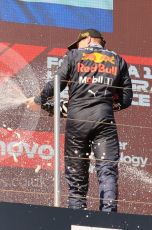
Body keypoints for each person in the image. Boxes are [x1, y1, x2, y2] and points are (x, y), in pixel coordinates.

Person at [26, 29, 133, 212]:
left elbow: (56, 84)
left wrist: (38, 101)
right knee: (107, 170)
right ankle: (108, 217)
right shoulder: (118, 60)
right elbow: (126, 99)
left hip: (77, 122)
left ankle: (76, 217)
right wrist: (105, 106)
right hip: (104, 122)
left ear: (89, 39)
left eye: (78, 43)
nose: (77, 47)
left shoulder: (74, 55)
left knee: (77, 177)